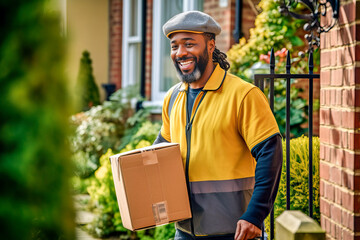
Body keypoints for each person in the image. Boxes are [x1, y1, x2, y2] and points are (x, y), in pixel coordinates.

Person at [154, 11, 283, 240]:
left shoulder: (243, 95)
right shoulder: (173, 97)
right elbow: (160, 152)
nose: (180, 52)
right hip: (184, 232)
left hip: (234, 232)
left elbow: (270, 154)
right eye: (174, 46)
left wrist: (255, 215)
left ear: (211, 45)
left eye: (189, 44)